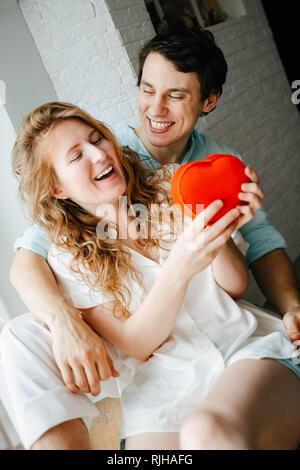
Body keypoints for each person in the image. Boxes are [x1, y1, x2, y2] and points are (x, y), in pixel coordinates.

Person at [4, 30, 300, 447]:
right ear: (57, 188)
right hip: (161, 387)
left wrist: (222, 229)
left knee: (207, 435)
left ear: (207, 100)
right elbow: (136, 344)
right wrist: (62, 317)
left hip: (240, 347)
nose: (100, 154)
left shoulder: (174, 183)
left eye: (97, 139)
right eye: (76, 156)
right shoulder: (68, 252)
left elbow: (237, 278)